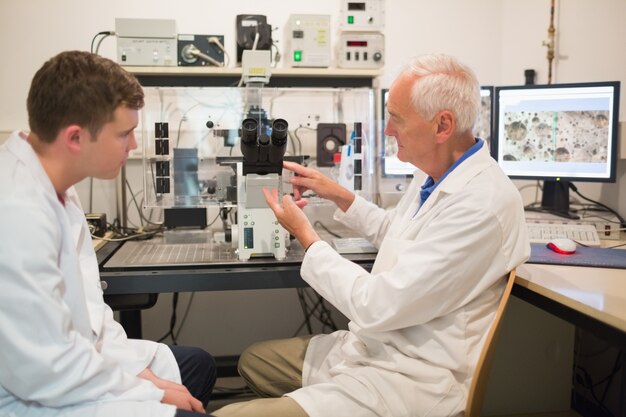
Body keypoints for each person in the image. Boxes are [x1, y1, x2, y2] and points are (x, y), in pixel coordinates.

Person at [213, 53, 531, 417]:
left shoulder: (481, 205)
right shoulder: (435, 174)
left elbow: (377, 305)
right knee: (253, 360)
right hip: (377, 348)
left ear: (442, 125)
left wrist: (308, 238)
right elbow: (396, 232)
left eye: (396, 119)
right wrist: (338, 193)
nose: (388, 131)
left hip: (412, 378)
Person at [0, 50, 216, 417]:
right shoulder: (16, 211)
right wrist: (148, 391)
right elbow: (47, 368)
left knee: (197, 366)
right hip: (35, 392)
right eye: (125, 134)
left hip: (74, 357)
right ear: (75, 138)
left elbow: (90, 313)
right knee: (181, 407)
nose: (132, 146)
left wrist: (142, 374)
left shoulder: (57, 187)